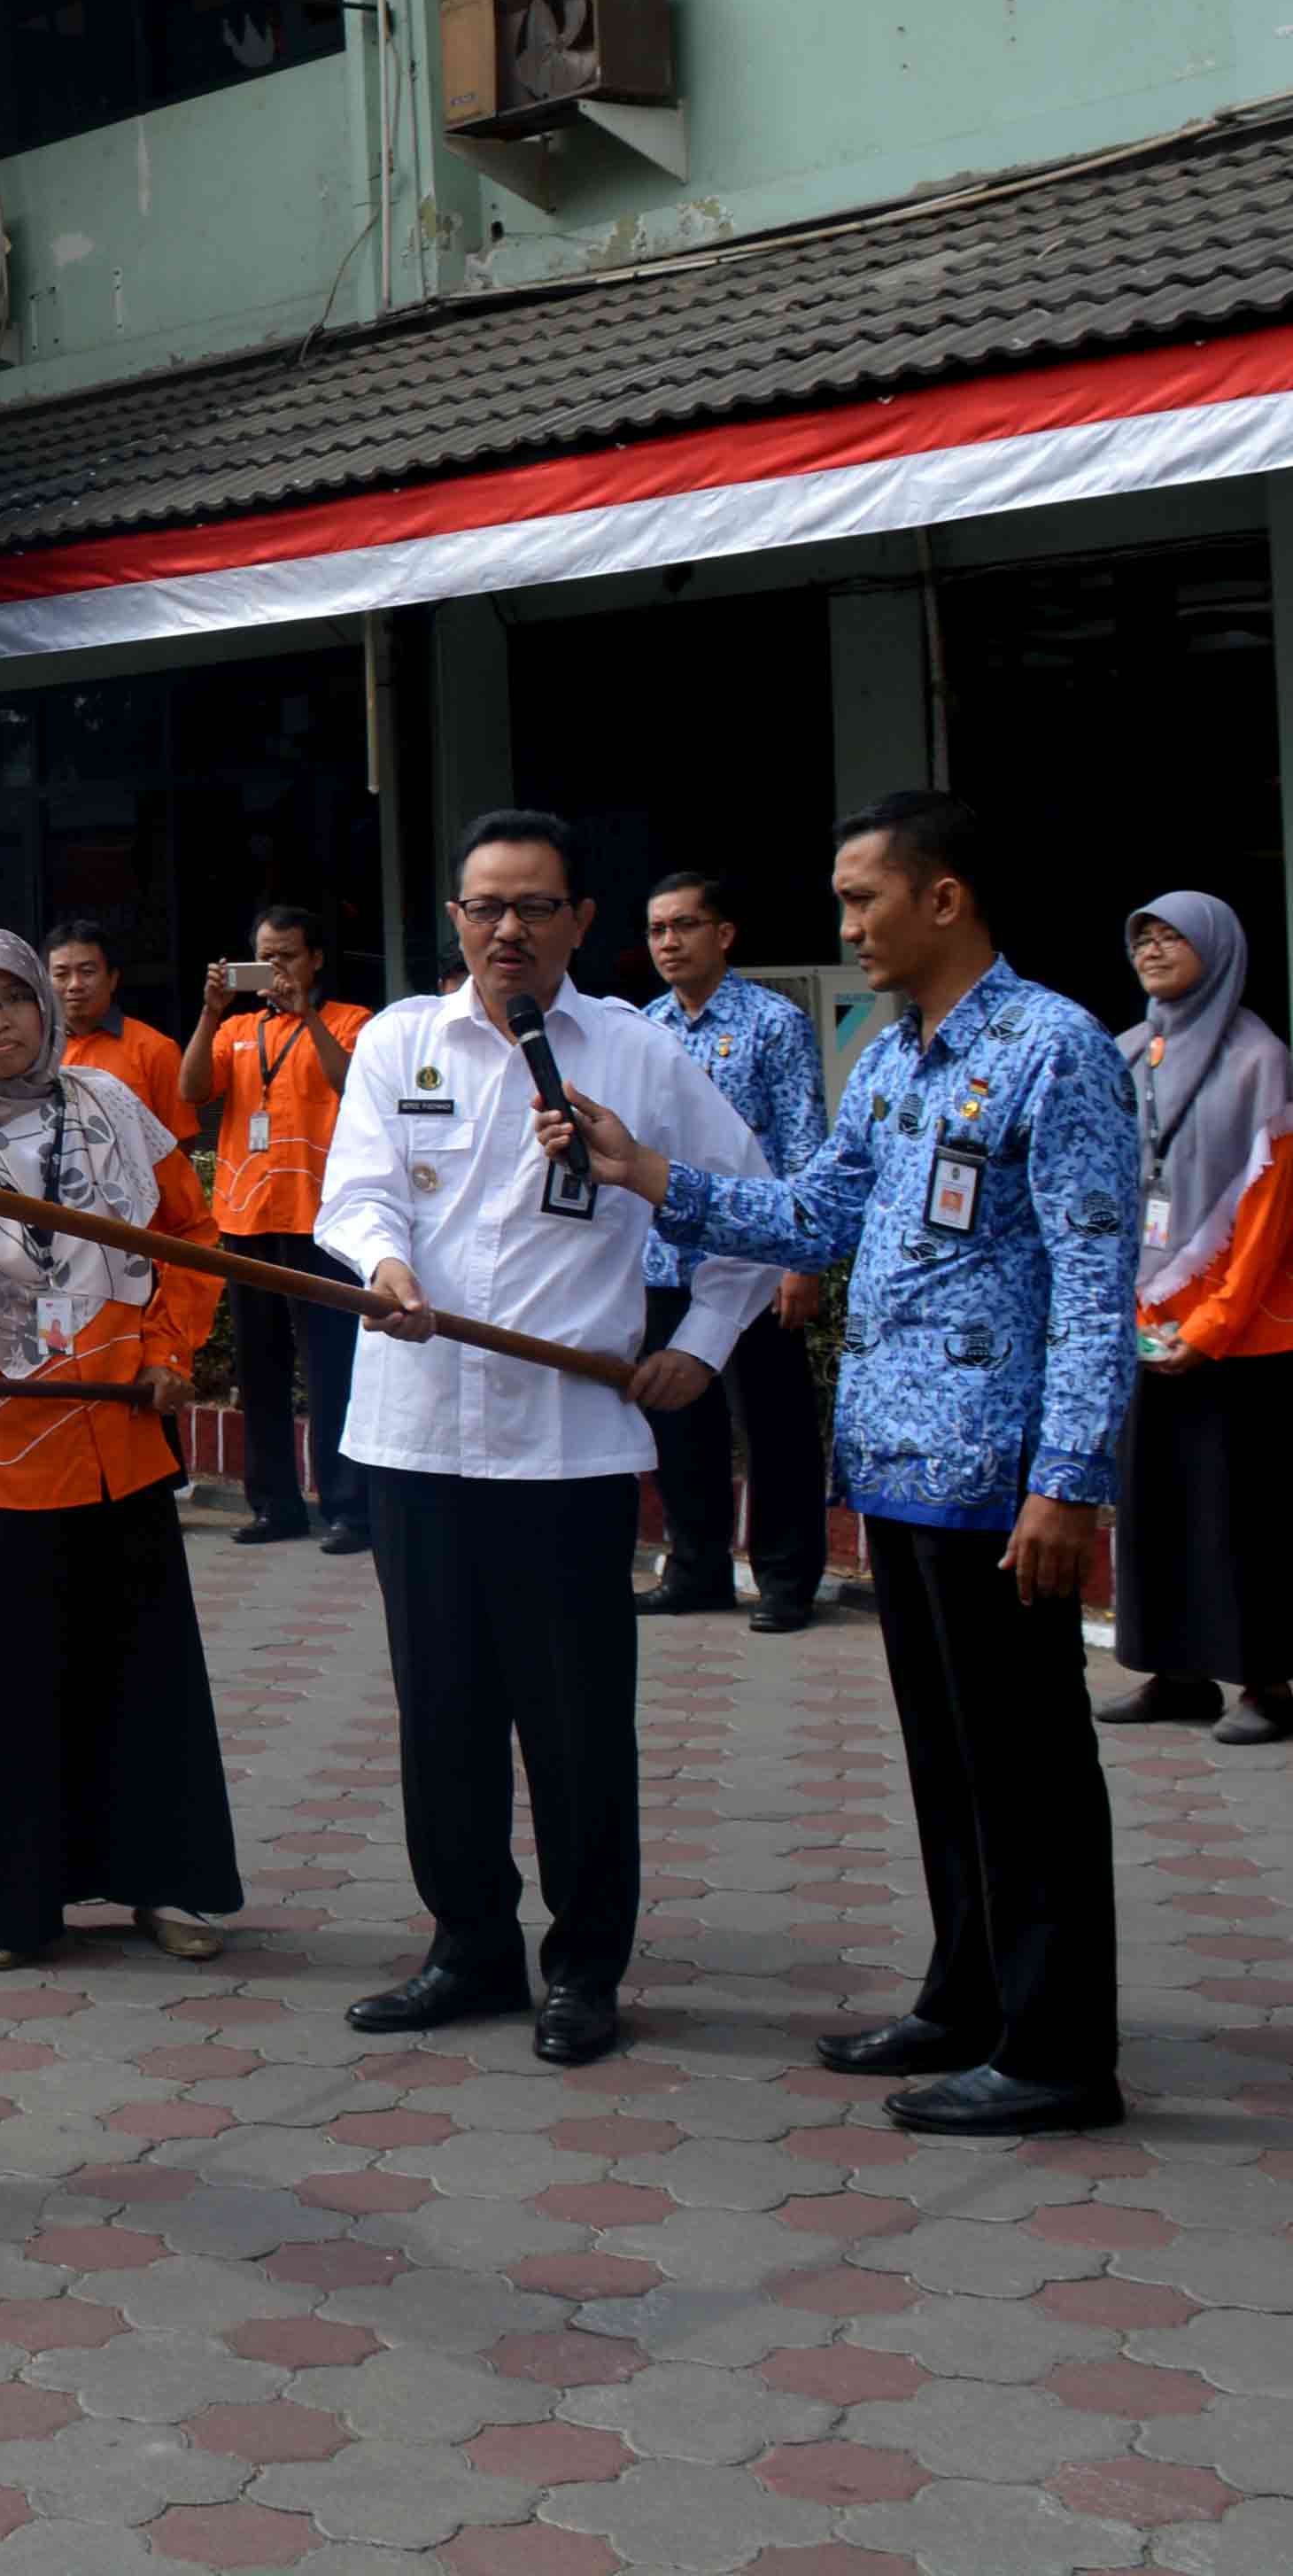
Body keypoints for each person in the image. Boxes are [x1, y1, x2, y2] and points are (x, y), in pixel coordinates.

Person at [569, 792, 1141, 2138]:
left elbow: (1102, 1283)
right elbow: (816, 1215)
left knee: (1031, 1768)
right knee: (948, 1758)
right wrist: (652, 1171)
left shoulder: (1056, 1050)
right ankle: (968, 1997)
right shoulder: (890, 1058)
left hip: (1002, 1485)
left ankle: (1060, 2049)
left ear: (944, 898)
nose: (845, 927)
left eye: (862, 899)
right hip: (896, 1470)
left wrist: (1070, 1481)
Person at [313, 812, 772, 2069]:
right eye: (483, 907)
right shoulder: (400, 1040)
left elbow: (748, 1208)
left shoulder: (636, 1053)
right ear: (454, 920)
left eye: (533, 907)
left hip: (564, 1449)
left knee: (574, 1725)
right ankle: (468, 1947)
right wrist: (387, 1264)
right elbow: (348, 1194)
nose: (505, 930)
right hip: (412, 1440)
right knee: (441, 1715)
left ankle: (585, 1968)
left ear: (580, 921)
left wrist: (706, 1345)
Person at [0, 927, 242, 1972]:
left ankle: (164, 1885)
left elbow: (192, 1235)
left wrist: (174, 1346)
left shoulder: (116, 1111)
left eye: (14, 999)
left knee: (141, 1676)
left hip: (117, 1436)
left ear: (47, 1004)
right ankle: (5, 1907)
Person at [1108, 892, 1293, 1745]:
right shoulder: (1128, 1056)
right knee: (1158, 1506)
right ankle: (1176, 1672)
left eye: (1172, 936)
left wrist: (1212, 1327)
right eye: (1142, 937)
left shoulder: (1260, 1062)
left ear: (1220, 949)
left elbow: (1271, 1220)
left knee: (1250, 1514)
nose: (1153, 949)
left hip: (1246, 1341)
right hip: (1145, 1323)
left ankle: (1266, 1687)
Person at [635, 872, 834, 1630]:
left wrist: (801, 1260)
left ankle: (787, 1581)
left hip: (753, 1263)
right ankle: (697, 1569)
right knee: (681, 1425)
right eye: (657, 929)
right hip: (665, 1262)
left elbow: (805, 1143)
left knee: (774, 1426)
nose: (669, 942)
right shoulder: (645, 1029)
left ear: (724, 934)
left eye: (685, 925)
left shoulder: (773, 1024)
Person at [182, 902, 372, 1552]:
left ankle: (349, 1508)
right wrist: (209, 1011)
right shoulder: (235, 1028)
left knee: (331, 1370)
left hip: (322, 1221)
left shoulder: (351, 1021)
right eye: (265, 957)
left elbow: (352, 1085)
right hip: (247, 1217)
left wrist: (307, 1014)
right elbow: (191, 1089)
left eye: (288, 956)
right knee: (258, 1372)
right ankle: (274, 1506)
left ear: (315, 959)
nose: (277, 969)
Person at [46, 919, 197, 1137]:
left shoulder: (156, 1049)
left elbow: (180, 1141)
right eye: (61, 975)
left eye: (87, 972)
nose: (74, 985)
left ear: (112, 979)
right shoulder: (35, 1052)